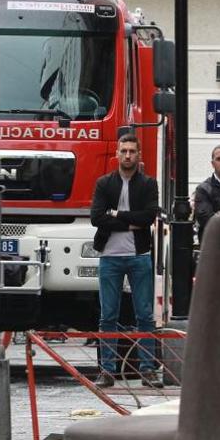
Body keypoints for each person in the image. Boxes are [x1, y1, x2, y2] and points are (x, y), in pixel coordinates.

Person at [90, 132, 162, 388]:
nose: (128, 155)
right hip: (109, 255)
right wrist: (129, 222)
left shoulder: (148, 184)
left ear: (138, 154)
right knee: (108, 314)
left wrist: (118, 214)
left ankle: (147, 370)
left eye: (132, 151)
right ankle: (107, 371)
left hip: (139, 255)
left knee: (145, 314)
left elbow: (148, 216)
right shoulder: (104, 183)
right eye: (124, 151)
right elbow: (96, 217)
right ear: (117, 154)